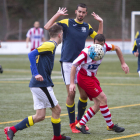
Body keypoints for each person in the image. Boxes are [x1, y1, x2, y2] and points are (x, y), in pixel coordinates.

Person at [4, 24, 71, 140]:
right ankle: (57, 137)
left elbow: (35, 57)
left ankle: (12, 129)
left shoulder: (49, 44)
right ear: (60, 35)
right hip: (41, 85)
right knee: (57, 110)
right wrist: (36, 74)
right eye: (63, 35)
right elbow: (31, 54)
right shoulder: (51, 45)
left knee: (40, 116)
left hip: (37, 85)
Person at [44, 3, 103, 133]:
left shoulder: (87, 27)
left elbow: (99, 41)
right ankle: (72, 124)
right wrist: (57, 15)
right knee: (71, 93)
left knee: (83, 95)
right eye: (79, 12)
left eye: (83, 12)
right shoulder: (66, 22)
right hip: (67, 63)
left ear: (86, 13)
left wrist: (100, 23)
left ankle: (79, 122)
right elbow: (47, 27)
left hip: (82, 64)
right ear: (76, 11)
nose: (81, 14)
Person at [69, 34, 129, 134]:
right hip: (84, 78)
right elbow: (74, 65)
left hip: (92, 78)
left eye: (101, 45)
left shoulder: (105, 47)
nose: (99, 47)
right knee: (103, 98)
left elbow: (117, 48)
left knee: (98, 104)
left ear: (104, 44)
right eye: (97, 44)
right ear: (93, 43)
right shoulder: (86, 52)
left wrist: (123, 63)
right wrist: (71, 83)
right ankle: (110, 126)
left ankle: (80, 124)